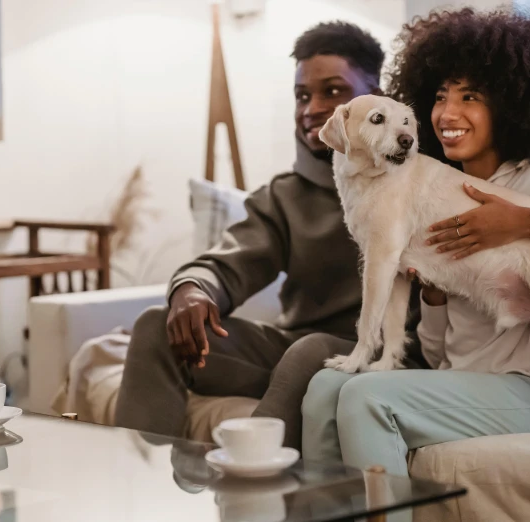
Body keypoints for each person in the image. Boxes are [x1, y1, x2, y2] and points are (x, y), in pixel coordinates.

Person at [301, 7, 530, 476]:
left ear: (512, 105)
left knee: (364, 397)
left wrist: (524, 222)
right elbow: (439, 354)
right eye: (439, 96)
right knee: (321, 391)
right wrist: (433, 293)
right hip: (463, 386)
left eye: (470, 96)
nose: (448, 113)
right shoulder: (430, 189)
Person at [115, 21, 424, 450]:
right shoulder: (284, 195)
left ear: (375, 93)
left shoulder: (416, 185)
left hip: (384, 356)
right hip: (293, 356)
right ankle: (136, 490)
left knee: (311, 351)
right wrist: (193, 288)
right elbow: (228, 260)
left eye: (333, 91)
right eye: (302, 95)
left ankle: (245, 494)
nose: (312, 108)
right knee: (154, 327)